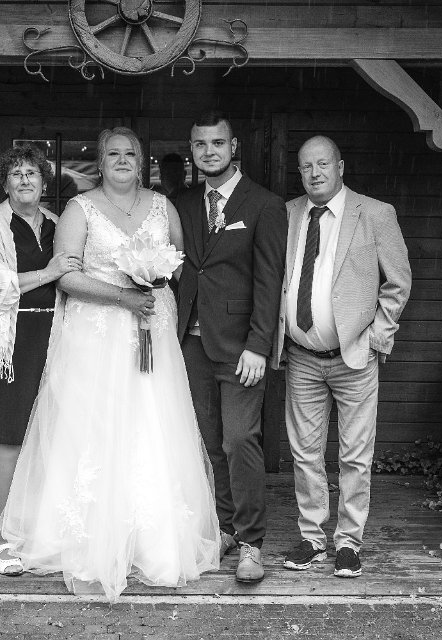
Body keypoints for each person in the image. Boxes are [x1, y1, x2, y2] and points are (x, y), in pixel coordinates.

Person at [0, 126, 220, 602]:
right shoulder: (80, 209)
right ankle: (89, 538)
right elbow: (66, 276)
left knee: (151, 424)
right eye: (113, 153)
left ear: (141, 162)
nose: (122, 160)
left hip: (152, 331)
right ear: (100, 163)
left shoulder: (162, 206)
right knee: (93, 428)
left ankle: (150, 540)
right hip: (95, 337)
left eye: (130, 153)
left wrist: (153, 282)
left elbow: (179, 264)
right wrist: (123, 296)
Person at [275, 135, 411, 578]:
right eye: (306, 166)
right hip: (301, 356)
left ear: (340, 166)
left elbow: (398, 282)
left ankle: (349, 542)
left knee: (355, 455)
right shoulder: (288, 213)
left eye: (323, 164)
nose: (314, 173)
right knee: (304, 453)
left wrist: (377, 337)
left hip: (355, 357)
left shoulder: (375, 213)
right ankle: (312, 538)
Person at [0, 145, 82, 576]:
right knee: (11, 440)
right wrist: (48, 273)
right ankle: (4, 538)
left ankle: (43, 529)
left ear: (44, 182)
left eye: (32, 173)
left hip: (55, 338)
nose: (25, 180)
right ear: (5, 183)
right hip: (8, 344)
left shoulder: (57, 223)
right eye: (16, 174)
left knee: (53, 437)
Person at [175, 111, 288, 583]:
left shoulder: (264, 204)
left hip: (242, 347)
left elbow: (270, 280)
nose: (209, 152)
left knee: (240, 440)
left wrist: (259, 345)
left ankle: (251, 542)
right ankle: (224, 528)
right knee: (208, 443)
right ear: (192, 149)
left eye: (217, 143)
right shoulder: (181, 203)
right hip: (190, 343)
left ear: (233, 145)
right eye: (200, 144)